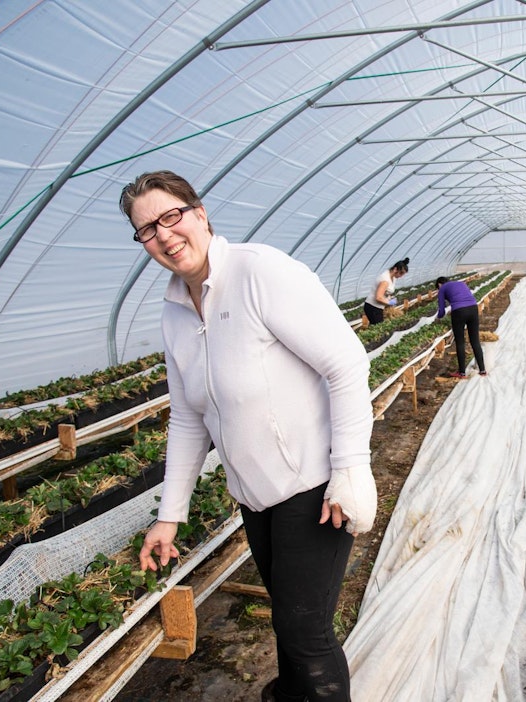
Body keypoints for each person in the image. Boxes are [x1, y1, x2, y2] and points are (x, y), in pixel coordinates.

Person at [122, 170, 375, 702]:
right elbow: (190, 418)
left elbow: (346, 363)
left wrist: (350, 470)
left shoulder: (260, 272)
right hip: (255, 498)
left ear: (200, 213)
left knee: (306, 635)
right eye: (147, 229)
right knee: (286, 621)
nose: (164, 235)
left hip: (313, 487)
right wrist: (170, 516)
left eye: (172, 217)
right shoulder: (174, 311)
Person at [435, 277, 487, 379]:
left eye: (437, 288)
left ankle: (462, 373)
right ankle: (482, 370)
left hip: (459, 311)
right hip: (473, 308)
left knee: (460, 342)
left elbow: (441, 310)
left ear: (439, 284)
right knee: (475, 340)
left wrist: (438, 318)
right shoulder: (461, 283)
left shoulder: (442, 288)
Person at [363, 258, 409, 325]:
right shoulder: (385, 280)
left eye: (403, 274)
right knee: (378, 327)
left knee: (377, 326)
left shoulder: (393, 277)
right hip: (373, 307)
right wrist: (390, 302)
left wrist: (389, 298)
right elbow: (379, 297)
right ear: (395, 269)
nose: (401, 276)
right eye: (401, 273)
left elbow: (386, 292)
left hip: (378, 307)